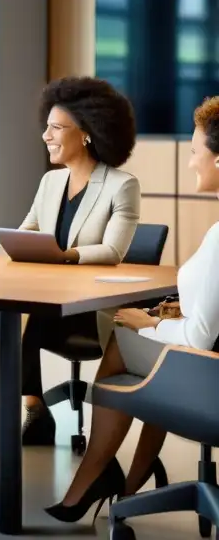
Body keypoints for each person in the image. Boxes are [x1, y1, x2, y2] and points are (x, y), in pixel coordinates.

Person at [47, 96, 219, 522]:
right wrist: (178, 310)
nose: (191, 162)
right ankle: (124, 486)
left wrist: (149, 322)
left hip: (208, 379)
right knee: (140, 349)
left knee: (124, 345)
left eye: (196, 152)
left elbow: (199, 337)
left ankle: (92, 482)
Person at [0, 76, 140, 455]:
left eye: (55, 127)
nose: (45, 136)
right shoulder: (51, 181)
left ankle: (6, 421)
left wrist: (63, 255)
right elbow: (25, 232)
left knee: (22, 316)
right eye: (46, 126)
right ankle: (34, 414)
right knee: (21, 313)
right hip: (45, 305)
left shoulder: (121, 185)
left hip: (90, 309)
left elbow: (112, 251)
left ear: (86, 133)